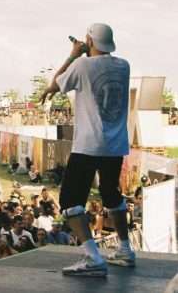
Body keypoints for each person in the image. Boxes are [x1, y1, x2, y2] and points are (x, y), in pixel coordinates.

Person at [40, 23, 134, 277]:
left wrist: (74, 53)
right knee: (111, 194)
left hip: (89, 145)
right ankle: (125, 249)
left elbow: (54, 85)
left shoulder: (82, 65)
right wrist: (86, 50)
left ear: (90, 42)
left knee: (70, 201)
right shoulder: (124, 66)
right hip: (115, 144)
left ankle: (93, 257)